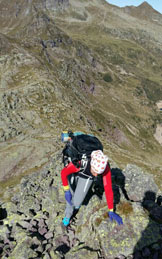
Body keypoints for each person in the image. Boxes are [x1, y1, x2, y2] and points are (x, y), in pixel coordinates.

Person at [61, 147, 123, 227]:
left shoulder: (105, 167)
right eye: (94, 171)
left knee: (77, 202)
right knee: (71, 194)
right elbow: (63, 173)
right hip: (76, 170)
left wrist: (111, 210)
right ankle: (68, 216)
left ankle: (76, 205)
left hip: (86, 176)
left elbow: (108, 189)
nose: (96, 175)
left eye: (98, 173)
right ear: (91, 165)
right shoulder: (81, 162)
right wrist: (66, 190)